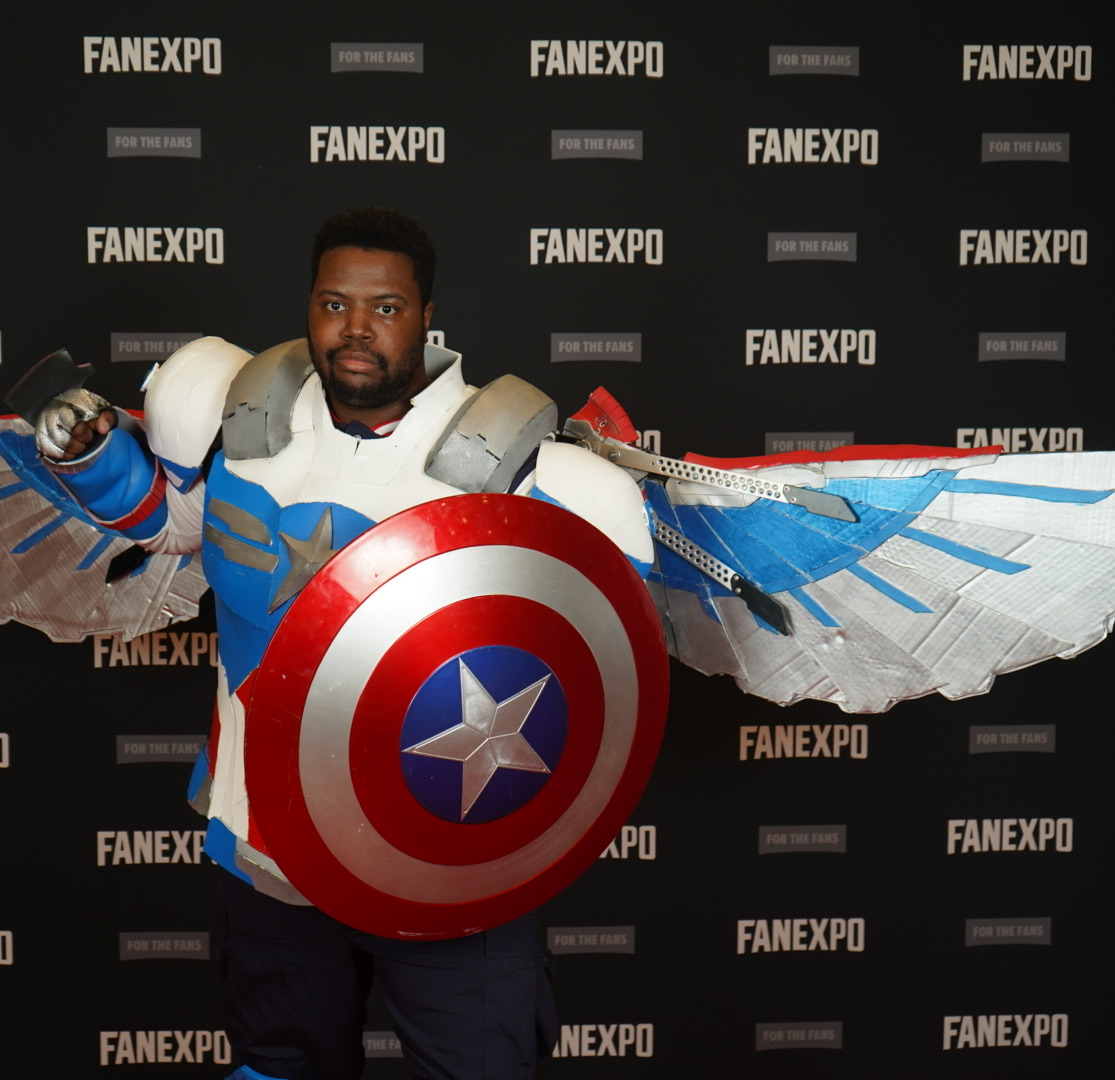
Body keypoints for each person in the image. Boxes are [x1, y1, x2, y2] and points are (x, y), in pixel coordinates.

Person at [36, 207, 653, 1080]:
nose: (355, 330)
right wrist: (98, 459)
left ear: (427, 315)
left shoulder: (527, 472)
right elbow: (177, 526)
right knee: (280, 1065)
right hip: (269, 845)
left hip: (451, 859)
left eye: (386, 308)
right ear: (309, 305)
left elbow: (601, 666)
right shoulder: (233, 419)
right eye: (335, 303)